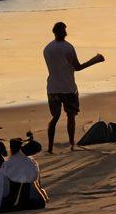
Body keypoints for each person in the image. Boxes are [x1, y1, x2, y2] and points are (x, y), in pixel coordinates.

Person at [43, 21, 105, 153]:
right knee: (70, 116)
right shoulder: (68, 47)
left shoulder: (47, 48)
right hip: (68, 87)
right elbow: (78, 67)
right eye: (64, 30)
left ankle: (49, 148)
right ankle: (71, 144)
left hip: (52, 88)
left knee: (55, 117)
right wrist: (96, 60)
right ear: (61, 32)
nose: (66, 32)